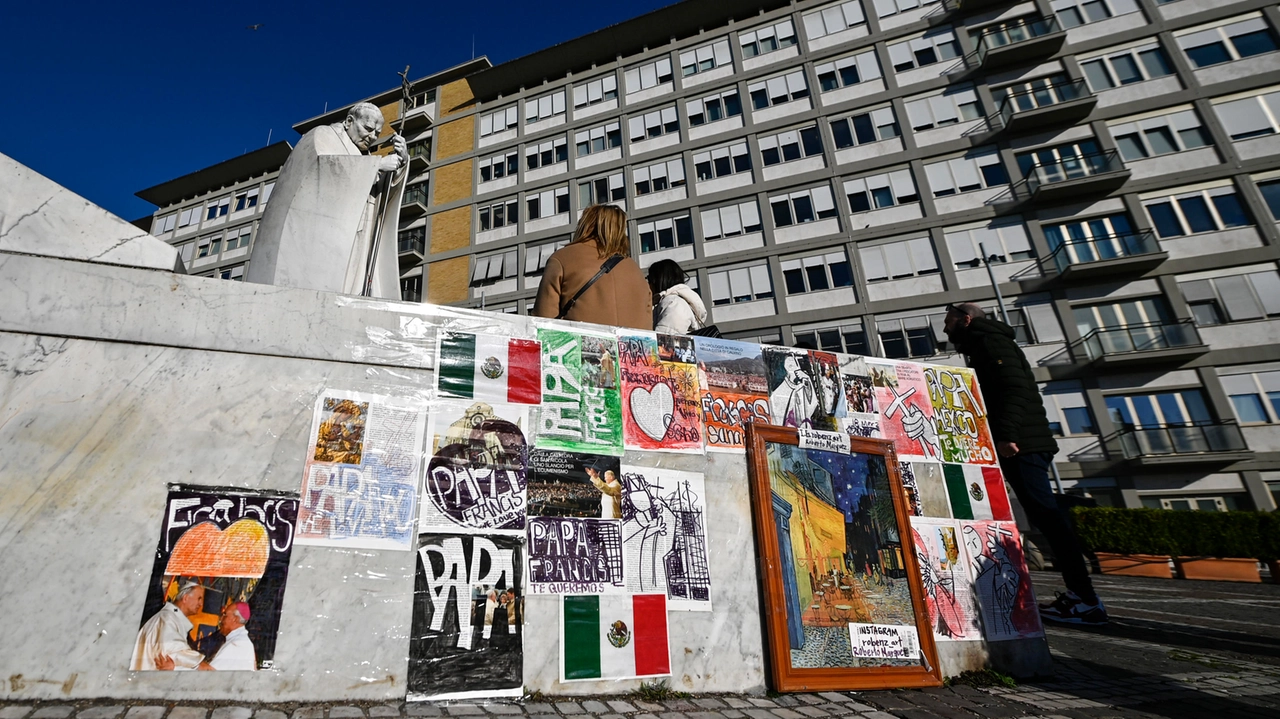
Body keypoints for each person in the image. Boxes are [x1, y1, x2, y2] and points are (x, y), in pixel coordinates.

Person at [943, 302, 1107, 625]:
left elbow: (1014, 389)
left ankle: (1086, 601)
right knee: (1043, 513)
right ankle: (1081, 596)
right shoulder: (983, 344)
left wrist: (1006, 435)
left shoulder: (991, 342)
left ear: (966, 319)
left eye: (949, 322)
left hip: (1023, 446)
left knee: (1047, 515)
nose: (945, 329)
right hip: (1023, 443)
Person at [246, 102, 408, 299]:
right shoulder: (322, 136)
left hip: (359, 230)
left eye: (376, 133)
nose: (372, 137)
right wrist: (376, 165)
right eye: (367, 129)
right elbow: (321, 171)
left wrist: (401, 162)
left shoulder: (362, 155)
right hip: (324, 236)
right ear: (349, 121)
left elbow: (380, 195)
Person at [532, 205, 653, 330]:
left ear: (585, 224)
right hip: (632, 346)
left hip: (581, 347)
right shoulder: (634, 269)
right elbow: (647, 322)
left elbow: (543, 320)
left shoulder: (562, 259)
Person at [130, 580, 208, 670]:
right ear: (185, 598)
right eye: (199, 598)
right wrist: (202, 665)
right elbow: (175, 654)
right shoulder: (166, 619)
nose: (201, 604)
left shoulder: (170, 618)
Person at [648, 259, 707, 334]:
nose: (648, 284)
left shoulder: (674, 303)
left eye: (649, 279)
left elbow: (665, 341)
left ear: (658, 280)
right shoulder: (671, 302)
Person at [198, 602, 256, 671]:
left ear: (235, 619)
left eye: (225, 615)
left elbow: (211, 672)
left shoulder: (237, 644)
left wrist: (189, 660)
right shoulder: (242, 641)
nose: (221, 619)